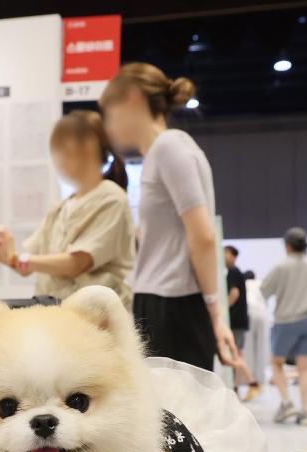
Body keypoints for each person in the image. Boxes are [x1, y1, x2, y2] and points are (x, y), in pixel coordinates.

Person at [99, 62, 238, 371]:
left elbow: (202, 235)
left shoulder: (168, 147)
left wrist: (216, 314)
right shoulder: (159, 153)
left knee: (178, 412)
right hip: (163, 300)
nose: (107, 126)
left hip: (173, 304)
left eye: (109, 112)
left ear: (133, 98)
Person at [0, 110, 136, 306]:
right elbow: (25, 266)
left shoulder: (111, 199)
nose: (57, 160)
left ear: (88, 146)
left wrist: (21, 258)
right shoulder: (61, 208)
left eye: (62, 149)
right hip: (61, 317)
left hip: (97, 320)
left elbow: (76, 264)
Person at [262, 227, 307, 426]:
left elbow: (264, 291)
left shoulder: (281, 267)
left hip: (286, 322)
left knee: (277, 363)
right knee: (304, 368)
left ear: (287, 246)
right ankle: (305, 412)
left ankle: (287, 404)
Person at [224, 245, 261, 399]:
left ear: (232, 255)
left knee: (236, 353)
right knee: (237, 353)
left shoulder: (233, 272)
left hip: (235, 320)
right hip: (240, 320)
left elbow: (234, 293)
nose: (222, 256)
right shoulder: (236, 272)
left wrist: (221, 309)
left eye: (224, 253)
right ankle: (235, 388)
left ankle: (253, 383)